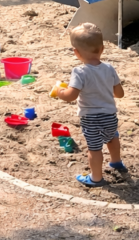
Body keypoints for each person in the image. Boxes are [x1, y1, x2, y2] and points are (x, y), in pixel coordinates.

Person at [54, 22, 127, 187]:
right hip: (110, 115)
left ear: (76, 52)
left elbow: (71, 96)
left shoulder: (79, 72)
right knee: (112, 138)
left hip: (91, 119)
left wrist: (60, 92)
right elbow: (120, 94)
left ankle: (96, 178)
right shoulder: (109, 68)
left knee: (94, 149)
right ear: (102, 49)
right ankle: (116, 161)